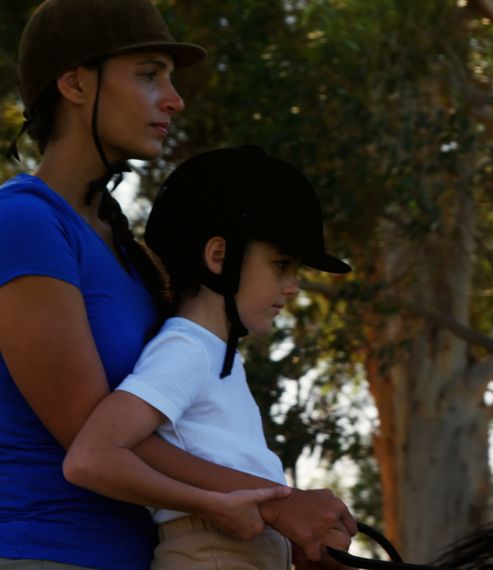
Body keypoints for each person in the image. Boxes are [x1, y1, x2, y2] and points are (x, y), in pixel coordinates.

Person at [0, 1, 355, 568]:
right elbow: (91, 435)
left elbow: (180, 431)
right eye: (148, 74)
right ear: (74, 83)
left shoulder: (124, 247)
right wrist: (276, 505)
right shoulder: (23, 223)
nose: (174, 97)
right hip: (46, 549)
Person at [64, 146, 353, 569]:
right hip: (210, 551)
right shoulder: (186, 349)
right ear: (218, 257)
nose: (292, 286)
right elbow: (91, 457)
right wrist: (212, 504)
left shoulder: (216, 356)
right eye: (281, 265)